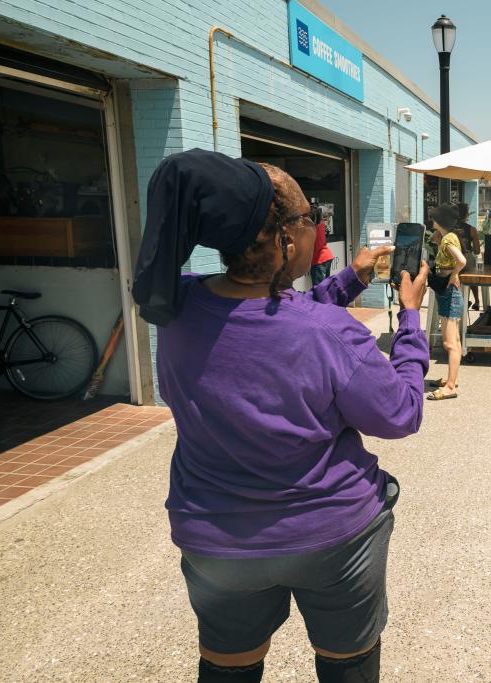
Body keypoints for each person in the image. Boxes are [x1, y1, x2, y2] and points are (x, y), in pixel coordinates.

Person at [131, 149, 429, 682]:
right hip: (333, 535)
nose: (318, 227)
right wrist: (410, 320)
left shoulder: (175, 307)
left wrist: (350, 279)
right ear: (287, 240)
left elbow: (266, 315)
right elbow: (401, 412)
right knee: (347, 666)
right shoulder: (329, 334)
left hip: (216, 539)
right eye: (310, 218)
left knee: (229, 669)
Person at [427, 203, 467, 401]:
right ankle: (451, 378)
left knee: (449, 343)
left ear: (440, 220)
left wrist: (453, 274)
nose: (431, 219)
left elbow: (461, 260)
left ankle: (450, 386)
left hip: (449, 292)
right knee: (455, 341)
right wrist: (436, 237)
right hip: (448, 293)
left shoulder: (448, 239)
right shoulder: (446, 237)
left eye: (434, 217)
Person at [454, 202, 482, 310]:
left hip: (452, 259)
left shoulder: (448, 228)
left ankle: (461, 299)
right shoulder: (471, 229)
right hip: (466, 258)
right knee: (472, 276)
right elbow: (477, 251)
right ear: (466, 215)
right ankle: (477, 301)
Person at [309, 207, 335, 285]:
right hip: (327, 256)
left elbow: (317, 246)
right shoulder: (321, 225)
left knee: (319, 288)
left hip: (319, 259)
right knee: (325, 286)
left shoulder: (313, 229)